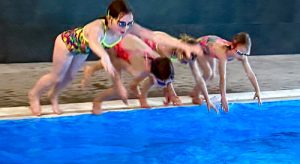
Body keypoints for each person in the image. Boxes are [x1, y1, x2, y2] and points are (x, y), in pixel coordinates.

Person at [28, 0, 202, 116]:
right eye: (121, 23)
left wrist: (182, 45)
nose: (125, 28)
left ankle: (53, 96)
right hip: (66, 44)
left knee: (70, 77)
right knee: (57, 76)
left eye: (129, 23)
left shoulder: (125, 28)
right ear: (110, 18)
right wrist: (103, 56)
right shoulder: (97, 27)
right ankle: (34, 95)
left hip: (82, 50)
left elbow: (153, 35)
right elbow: (94, 42)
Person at [82, 32, 217, 113]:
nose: (186, 63)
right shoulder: (165, 50)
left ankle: (134, 87)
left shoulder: (186, 52)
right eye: (185, 60)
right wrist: (172, 94)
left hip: (137, 49)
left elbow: (196, 77)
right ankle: (100, 99)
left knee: (147, 73)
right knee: (138, 75)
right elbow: (164, 76)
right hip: (131, 47)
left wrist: (205, 96)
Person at [178, 32, 262, 112]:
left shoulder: (241, 54)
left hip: (211, 46)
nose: (241, 56)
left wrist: (257, 91)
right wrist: (223, 98)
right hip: (201, 46)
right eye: (239, 52)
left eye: (245, 53)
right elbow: (223, 77)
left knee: (212, 75)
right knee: (208, 73)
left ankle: (194, 92)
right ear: (232, 46)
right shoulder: (222, 53)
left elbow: (250, 73)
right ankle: (196, 96)